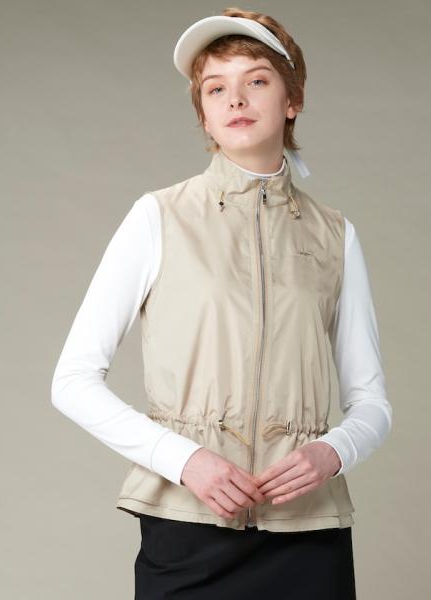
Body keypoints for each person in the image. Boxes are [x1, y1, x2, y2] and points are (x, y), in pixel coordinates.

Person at [51, 8, 392, 599]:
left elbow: (371, 403)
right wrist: (184, 460)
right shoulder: (159, 217)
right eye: (215, 88)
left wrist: (332, 452)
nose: (235, 98)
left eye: (256, 80)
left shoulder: (335, 235)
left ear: (292, 100)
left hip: (308, 534)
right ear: (204, 114)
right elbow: (72, 381)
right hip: (188, 527)